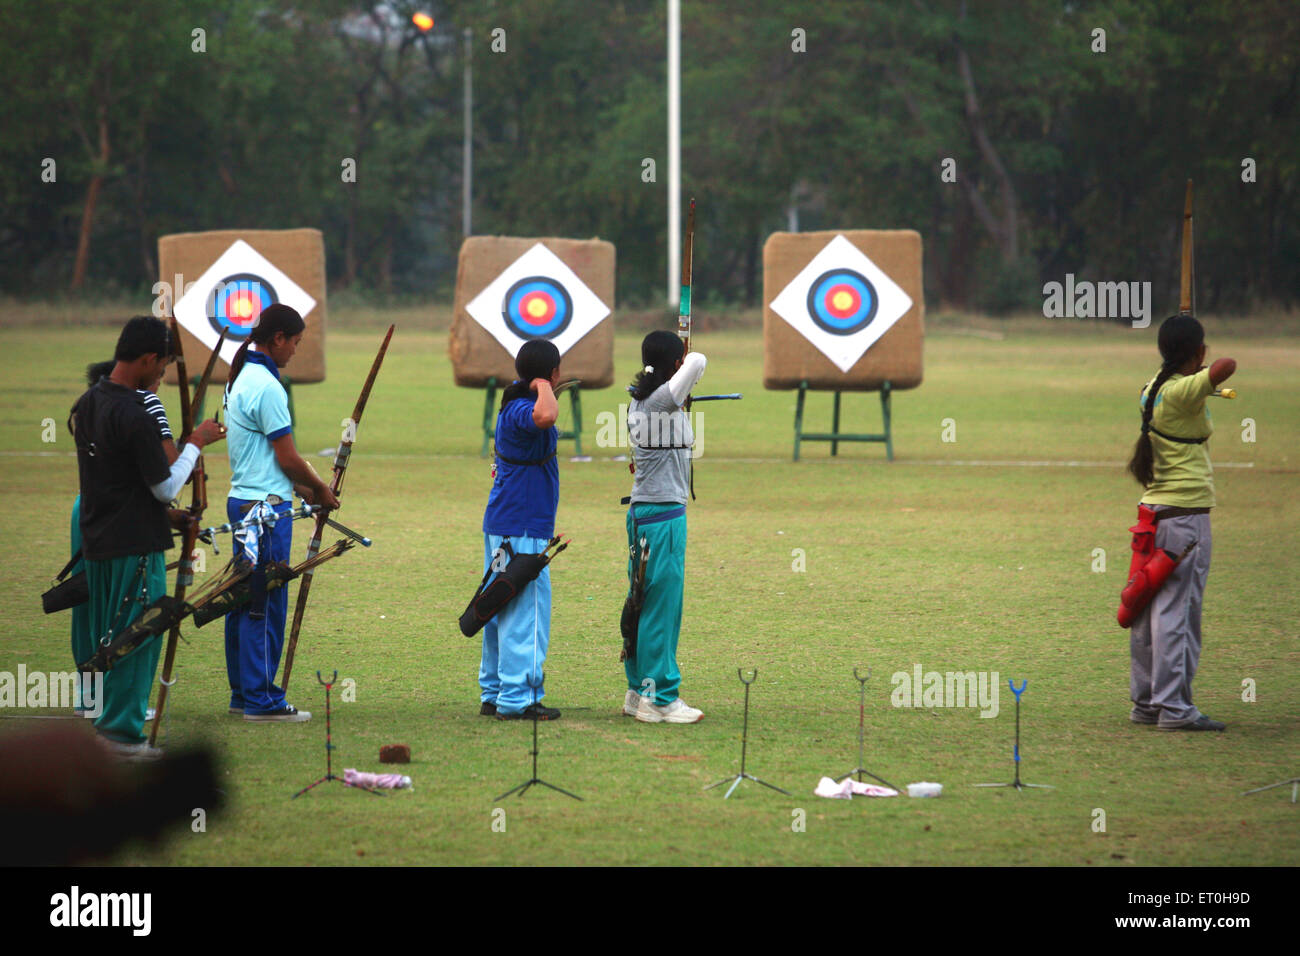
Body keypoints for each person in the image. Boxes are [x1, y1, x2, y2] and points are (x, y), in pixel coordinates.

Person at [68, 316, 225, 757]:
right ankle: (120, 733)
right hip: (133, 543)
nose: (162, 375)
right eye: (163, 367)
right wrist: (195, 441)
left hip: (98, 540)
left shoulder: (90, 401)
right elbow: (163, 486)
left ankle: (108, 724)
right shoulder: (134, 412)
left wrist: (170, 516)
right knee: (138, 633)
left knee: (109, 632)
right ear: (150, 359)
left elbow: (120, 479)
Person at [222, 304, 338, 722]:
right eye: (294, 342)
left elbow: (276, 461)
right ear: (277, 339)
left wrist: (312, 493)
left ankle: (243, 694)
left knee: (243, 601)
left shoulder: (241, 377)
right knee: (263, 605)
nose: (295, 350)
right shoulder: (267, 386)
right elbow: (287, 459)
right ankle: (262, 700)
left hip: (245, 503)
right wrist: (321, 490)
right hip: (265, 512)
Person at [1125, 314, 1236, 731]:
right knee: (1177, 612)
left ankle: (1147, 702)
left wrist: (1192, 359)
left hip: (1154, 516)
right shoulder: (1183, 390)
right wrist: (1206, 373)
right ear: (1198, 352)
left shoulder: (1152, 388)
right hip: (1184, 520)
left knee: (1149, 609)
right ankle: (1174, 708)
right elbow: (1227, 367)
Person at [70, 359, 179, 714]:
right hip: (126, 517)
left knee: (93, 603)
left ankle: (92, 698)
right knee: (133, 610)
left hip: (88, 508)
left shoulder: (93, 402)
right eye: (160, 374)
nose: (160, 383)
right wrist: (193, 447)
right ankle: (123, 705)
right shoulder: (143, 404)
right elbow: (165, 474)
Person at [622, 330, 706, 724]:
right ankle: (661, 699)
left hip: (643, 516)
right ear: (674, 365)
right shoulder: (658, 401)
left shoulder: (641, 400)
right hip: (663, 521)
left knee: (642, 604)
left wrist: (678, 368)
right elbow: (699, 361)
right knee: (660, 609)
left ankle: (639, 692)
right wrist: (686, 357)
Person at [477, 340, 562, 720]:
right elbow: (546, 417)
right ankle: (517, 699)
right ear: (552, 373)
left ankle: (494, 692)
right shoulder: (523, 409)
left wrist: (539, 381)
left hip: (507, 525)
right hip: (522, 528)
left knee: (499, 604)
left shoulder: (513, 406)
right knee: (524, 611)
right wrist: (544, 383)